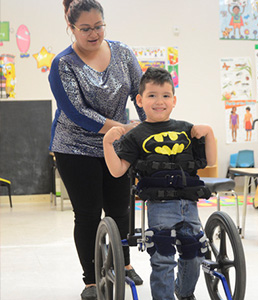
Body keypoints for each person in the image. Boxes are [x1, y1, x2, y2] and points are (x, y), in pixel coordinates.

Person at [48, 0, 145, 299]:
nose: (94, 34)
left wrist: (149, 128)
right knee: (88, 213)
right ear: (71, 28)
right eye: (86, 29)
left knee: (120, 209)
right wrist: (123, 128)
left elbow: (140, 94)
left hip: (117, 145)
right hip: (75, 147)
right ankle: (91, 280)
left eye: (99, 26)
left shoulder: (124, 53)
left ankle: (124, 264)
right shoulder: (63, 64)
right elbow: (77, 113)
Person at [103, 67, 216, 300]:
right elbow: (117, 171)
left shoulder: (186, 129)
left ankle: (184, 293)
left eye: (165, 96)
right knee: (164, 257)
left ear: (174, 100)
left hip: (189, 204)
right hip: (160, 205)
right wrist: (107, 143)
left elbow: (211, 161)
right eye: (152, 95)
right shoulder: (135, 134)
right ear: (140, 100)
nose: (159, 101)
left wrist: (210, 134)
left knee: (194, 254)